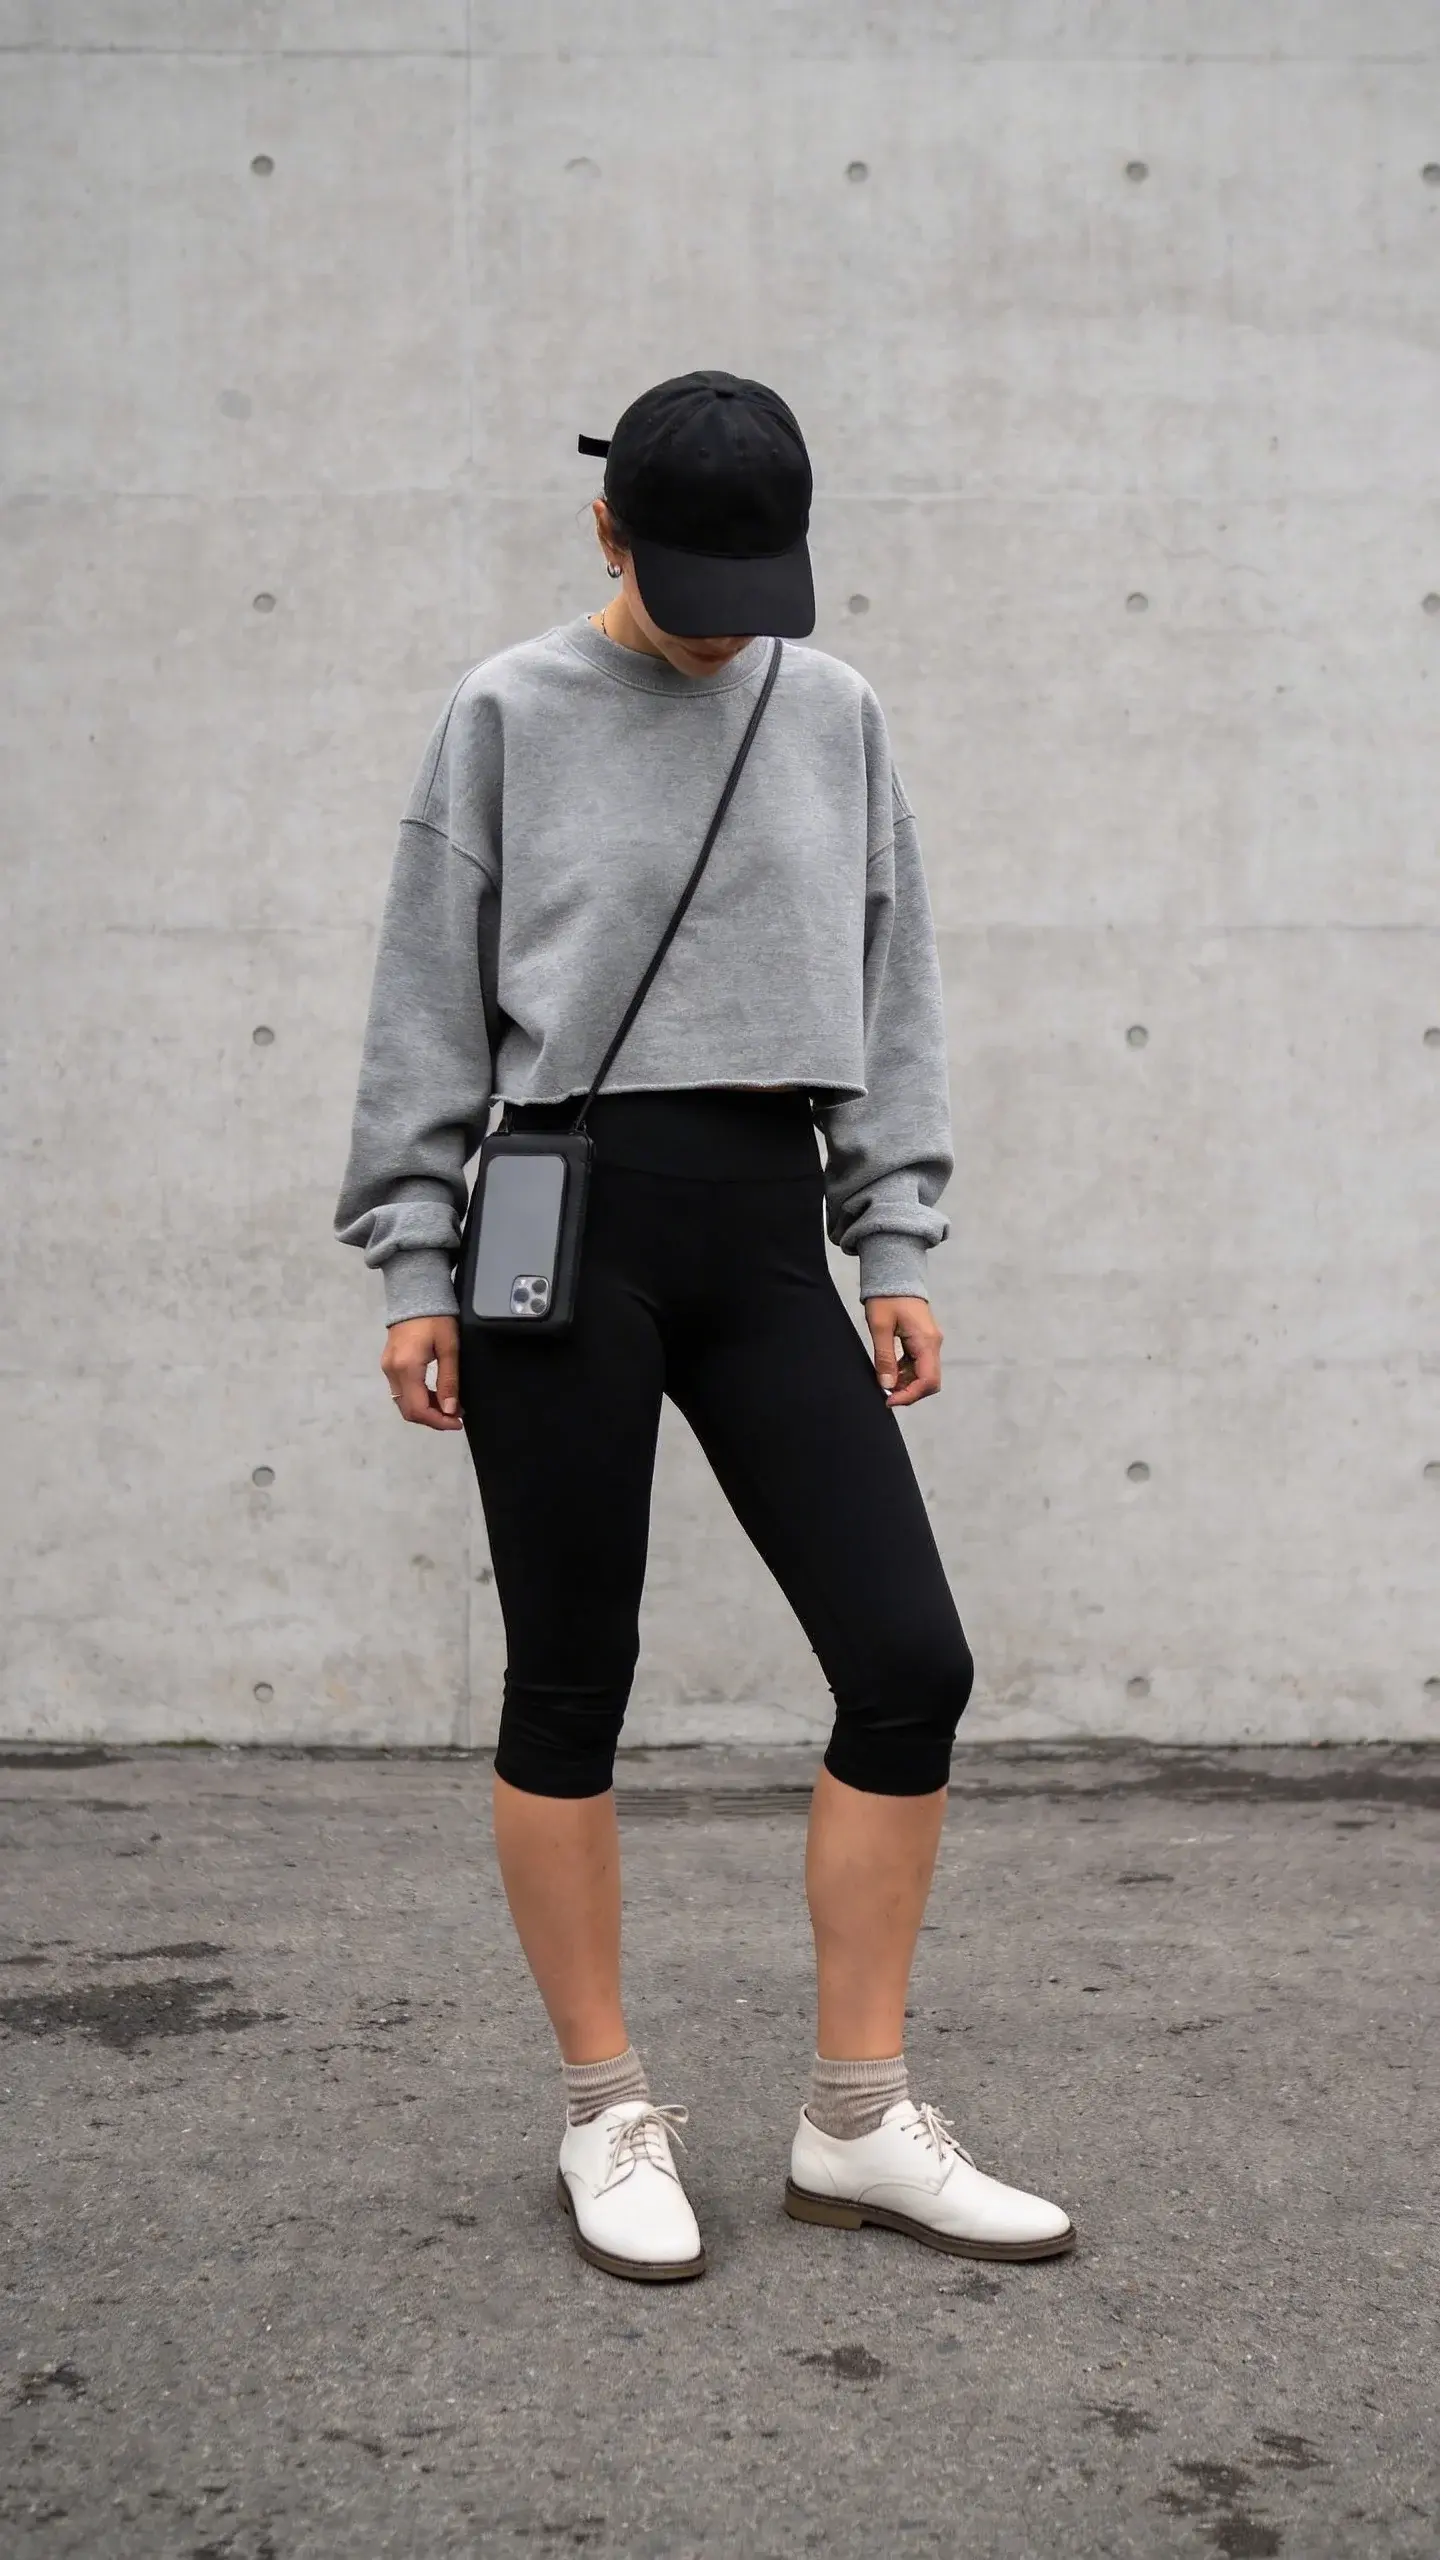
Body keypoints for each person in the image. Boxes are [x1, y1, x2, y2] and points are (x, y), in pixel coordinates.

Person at [334, 369, 1074, 2282]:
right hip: (562, 1232)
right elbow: (428, 1000)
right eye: (687, 575)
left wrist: (891, 1239)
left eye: (761, 580)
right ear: (606, 532)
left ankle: (856, 2119)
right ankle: (605, 2113)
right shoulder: (505, 712)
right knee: (573, 1678)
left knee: (911, 1659)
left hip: (763, 1237)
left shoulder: (829, 715)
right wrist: (416, 1264)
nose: (726, 616)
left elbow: (888, 978)